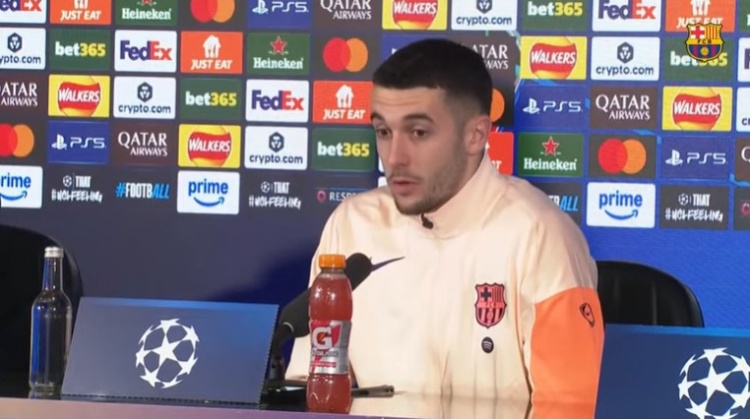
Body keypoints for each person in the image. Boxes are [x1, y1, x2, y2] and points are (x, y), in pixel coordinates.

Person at [285, 38, 604, 418]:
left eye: (418, 132)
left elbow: (570, 408)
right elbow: (312, 388)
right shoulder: (352, 224)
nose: (395, 157)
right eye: (384, 131)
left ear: (476, 135)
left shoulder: (539, 234)